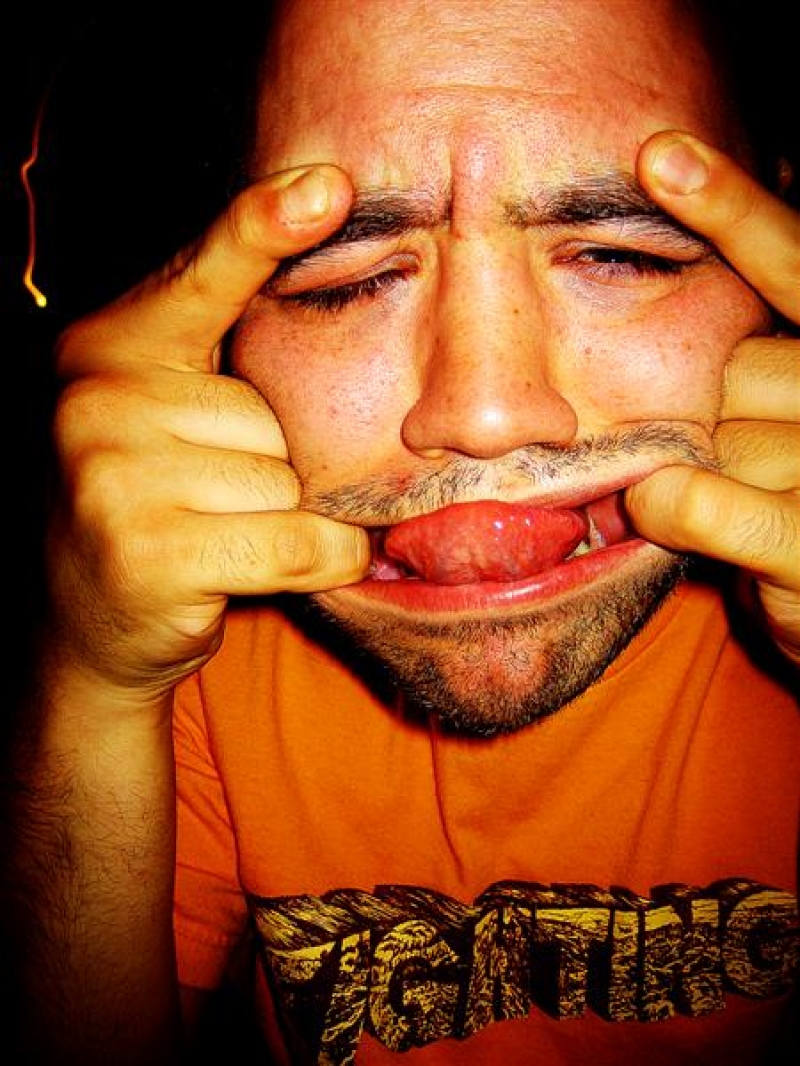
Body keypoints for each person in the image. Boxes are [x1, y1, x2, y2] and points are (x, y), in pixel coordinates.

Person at [4, 0, 798, 1062]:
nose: (483, 412)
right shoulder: (187, 629)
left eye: (623, 256)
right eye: (348, 281)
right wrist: (94, 685)